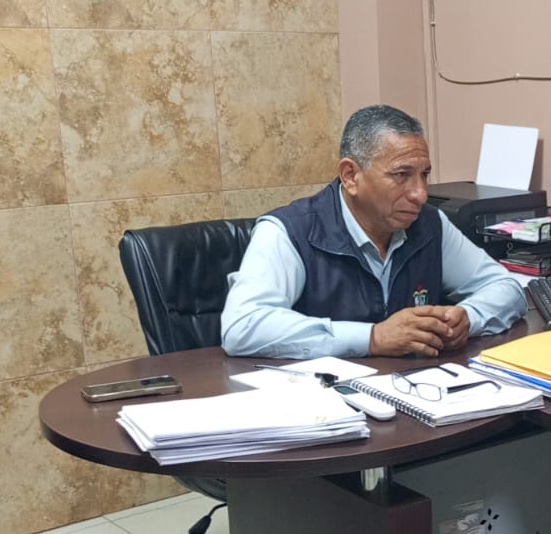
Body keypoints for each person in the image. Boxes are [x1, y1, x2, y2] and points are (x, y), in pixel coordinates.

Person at [221, 104, 527, 360]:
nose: (420, 194)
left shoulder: (429, 224)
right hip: (321, 402)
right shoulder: (289, 232)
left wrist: (469, 318)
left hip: (414, 394)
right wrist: (372, 338)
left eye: (424, 175)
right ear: (350, 176)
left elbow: (507, 288)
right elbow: (243, 326)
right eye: (402, 175)